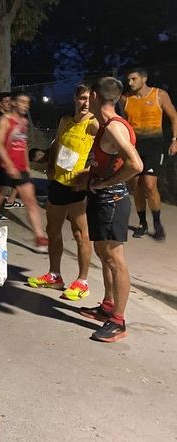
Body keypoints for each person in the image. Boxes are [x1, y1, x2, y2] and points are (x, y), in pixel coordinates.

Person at [79, 77, 143, 342]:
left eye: (86, 97)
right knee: (104, 254)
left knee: (115, 259)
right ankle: (107, 306)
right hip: (100, 200)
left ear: (94, 95)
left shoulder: (115, 127)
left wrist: (106, 183)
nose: (84, 101)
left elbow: (135, 165)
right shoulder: (104, 126)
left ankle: (119, 321)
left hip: (112, 202)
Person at [28, 84, 98, 300]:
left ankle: (82, 281)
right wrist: (50, 164)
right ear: (75, 99)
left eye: (88, 99)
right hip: (59, 182)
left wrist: (88, 174)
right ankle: (54, 275)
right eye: (81, 98)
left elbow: (103, 154)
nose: (85, 103)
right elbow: (58, 142)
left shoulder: (95, 125)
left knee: (80, 233)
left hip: (79, 186)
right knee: (53, 229)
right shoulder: (65, 120)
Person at [0, 92, 48, 250]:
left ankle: (39, 236)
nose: (25, 105)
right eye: (21, 102)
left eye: (27, 103)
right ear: (13, 103)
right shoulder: (5, 121)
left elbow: (23, 145)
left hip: (20, 169)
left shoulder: (24, 122)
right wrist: (9, 165)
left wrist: (26, 165)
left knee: (31, 202)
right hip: (5, 168)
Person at [120, 67, 177, 240]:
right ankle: (142, 223)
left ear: (144, 79)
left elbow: (174, 117)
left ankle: (157, 222)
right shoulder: (124, 99)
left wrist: (175, 140)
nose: (130, 83)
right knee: (136, 186)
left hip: (154, 145)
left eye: (133, 79)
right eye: (128, 80)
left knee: (150, 185)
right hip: (133, 146)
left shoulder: (159, 94)